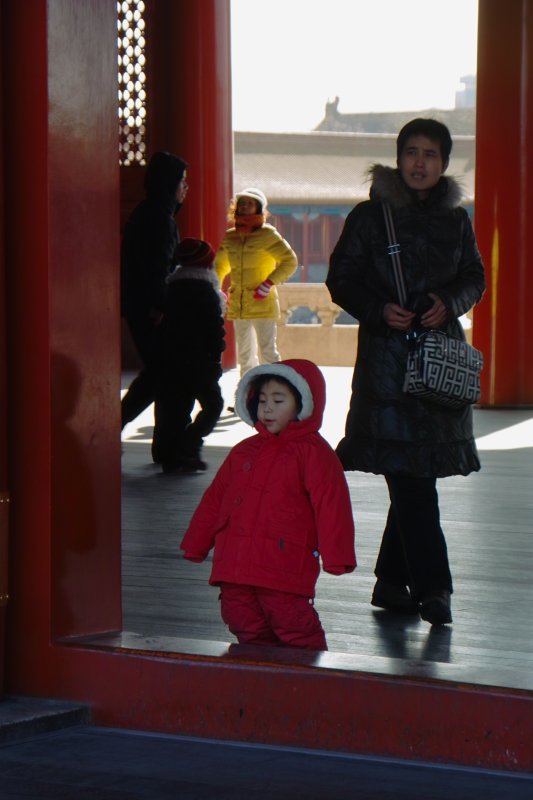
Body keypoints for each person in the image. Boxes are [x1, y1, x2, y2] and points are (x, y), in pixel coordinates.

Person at [326, 118, 486, 626]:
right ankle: (435, 588)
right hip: (389, 364)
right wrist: (377, 310)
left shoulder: (456, 220)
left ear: (444, 163)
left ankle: (393, 582)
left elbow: (474, 276)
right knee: (413, 480)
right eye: (412, 152)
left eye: (431, 154)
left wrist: (448, 301)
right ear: (399, 158)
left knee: (416, 475)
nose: (420, 163)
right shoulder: (370, 217)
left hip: (439, 362)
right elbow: (342, 278)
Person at [180, 359, 356, 650]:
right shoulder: (243, 452)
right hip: (234, 563)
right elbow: (215, 499)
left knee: (293, 624)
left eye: (278, 400)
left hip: (283, 567)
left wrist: (337, 555)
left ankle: (310, 680)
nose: (268, 408)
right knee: (241, 619)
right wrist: (196, 542)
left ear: (303, 404)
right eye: (262, 400)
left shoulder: (314, 454)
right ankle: (261, 678)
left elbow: (331, 506)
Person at [120, 150, 189, 461]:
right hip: (149, 309)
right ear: (169, 184)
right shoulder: (159, 220)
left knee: (160, 374)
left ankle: (166, 446)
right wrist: (161, 306)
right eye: (182, 182)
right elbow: (154, 269)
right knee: (164, 374)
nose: (185, 188)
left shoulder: (151, 213)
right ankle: (166, 446)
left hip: (141, 305)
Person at [156, 238, 226, 473]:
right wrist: (216, 360)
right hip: (200, 362)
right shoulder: (207, 291)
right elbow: (214, 331)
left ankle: (173, 456)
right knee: (213, 405)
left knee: (177, 409)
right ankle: (189, 445)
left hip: (172, 360)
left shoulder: (171, 288)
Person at [215, 188, 298, 381]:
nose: (244, 206)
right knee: (245, 355)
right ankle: (247, 392)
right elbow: (219, 266)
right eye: (242, 203)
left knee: (268, 352)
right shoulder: (230, 237)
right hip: (239, 304)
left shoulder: (268, 234)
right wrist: (216, 289)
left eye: (250, 203)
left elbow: (290, 261)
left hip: (262, 302)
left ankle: (277, 390)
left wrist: (269, 283)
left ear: (259, 208)